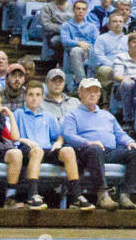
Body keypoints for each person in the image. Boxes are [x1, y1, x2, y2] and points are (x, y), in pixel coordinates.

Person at [62, 77, 136, 209]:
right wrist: (88, 143)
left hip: (109, 151)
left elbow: (120, 134)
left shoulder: (108, 115)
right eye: (88, 91)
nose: (93, 94)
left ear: (100, 94)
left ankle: (125, 194)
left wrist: (130, 141)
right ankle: (103, 193)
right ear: (80, 93)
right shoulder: (72, 115)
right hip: (86, 151)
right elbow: (69, 135)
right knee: (95, 149)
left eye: (96, 91)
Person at [16, 80, 94, 209]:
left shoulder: (48, 116)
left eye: (37, 95)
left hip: (47, 149)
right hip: (27, 150)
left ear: (42, 97)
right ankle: (33, 195)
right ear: (25, 97)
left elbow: (59, 135)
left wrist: (58, 143)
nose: (34, 98)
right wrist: (25, 140)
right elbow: (12, 135)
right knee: (37, 151)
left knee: (68, 150)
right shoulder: (18, 114)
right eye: (30, 95)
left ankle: (76, 196)